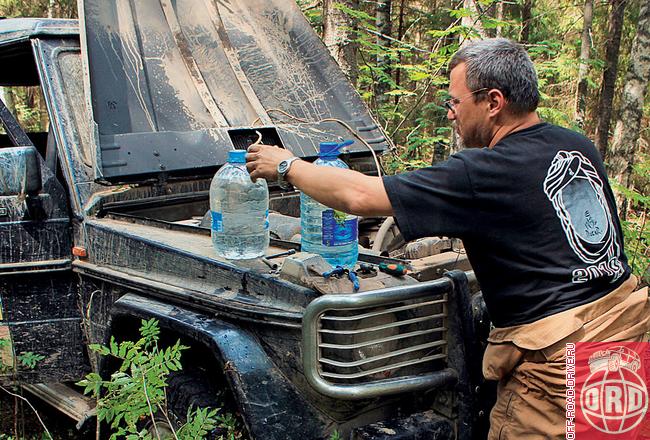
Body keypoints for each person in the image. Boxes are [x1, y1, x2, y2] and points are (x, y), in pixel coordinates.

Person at [245, 38, 649, 439]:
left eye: (455, 102)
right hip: (622, 346)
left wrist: (287, 165)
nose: (451, 113)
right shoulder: (575, 145)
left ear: (493, 102)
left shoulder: (485, 171)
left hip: (556, 372)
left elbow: (360, 196)